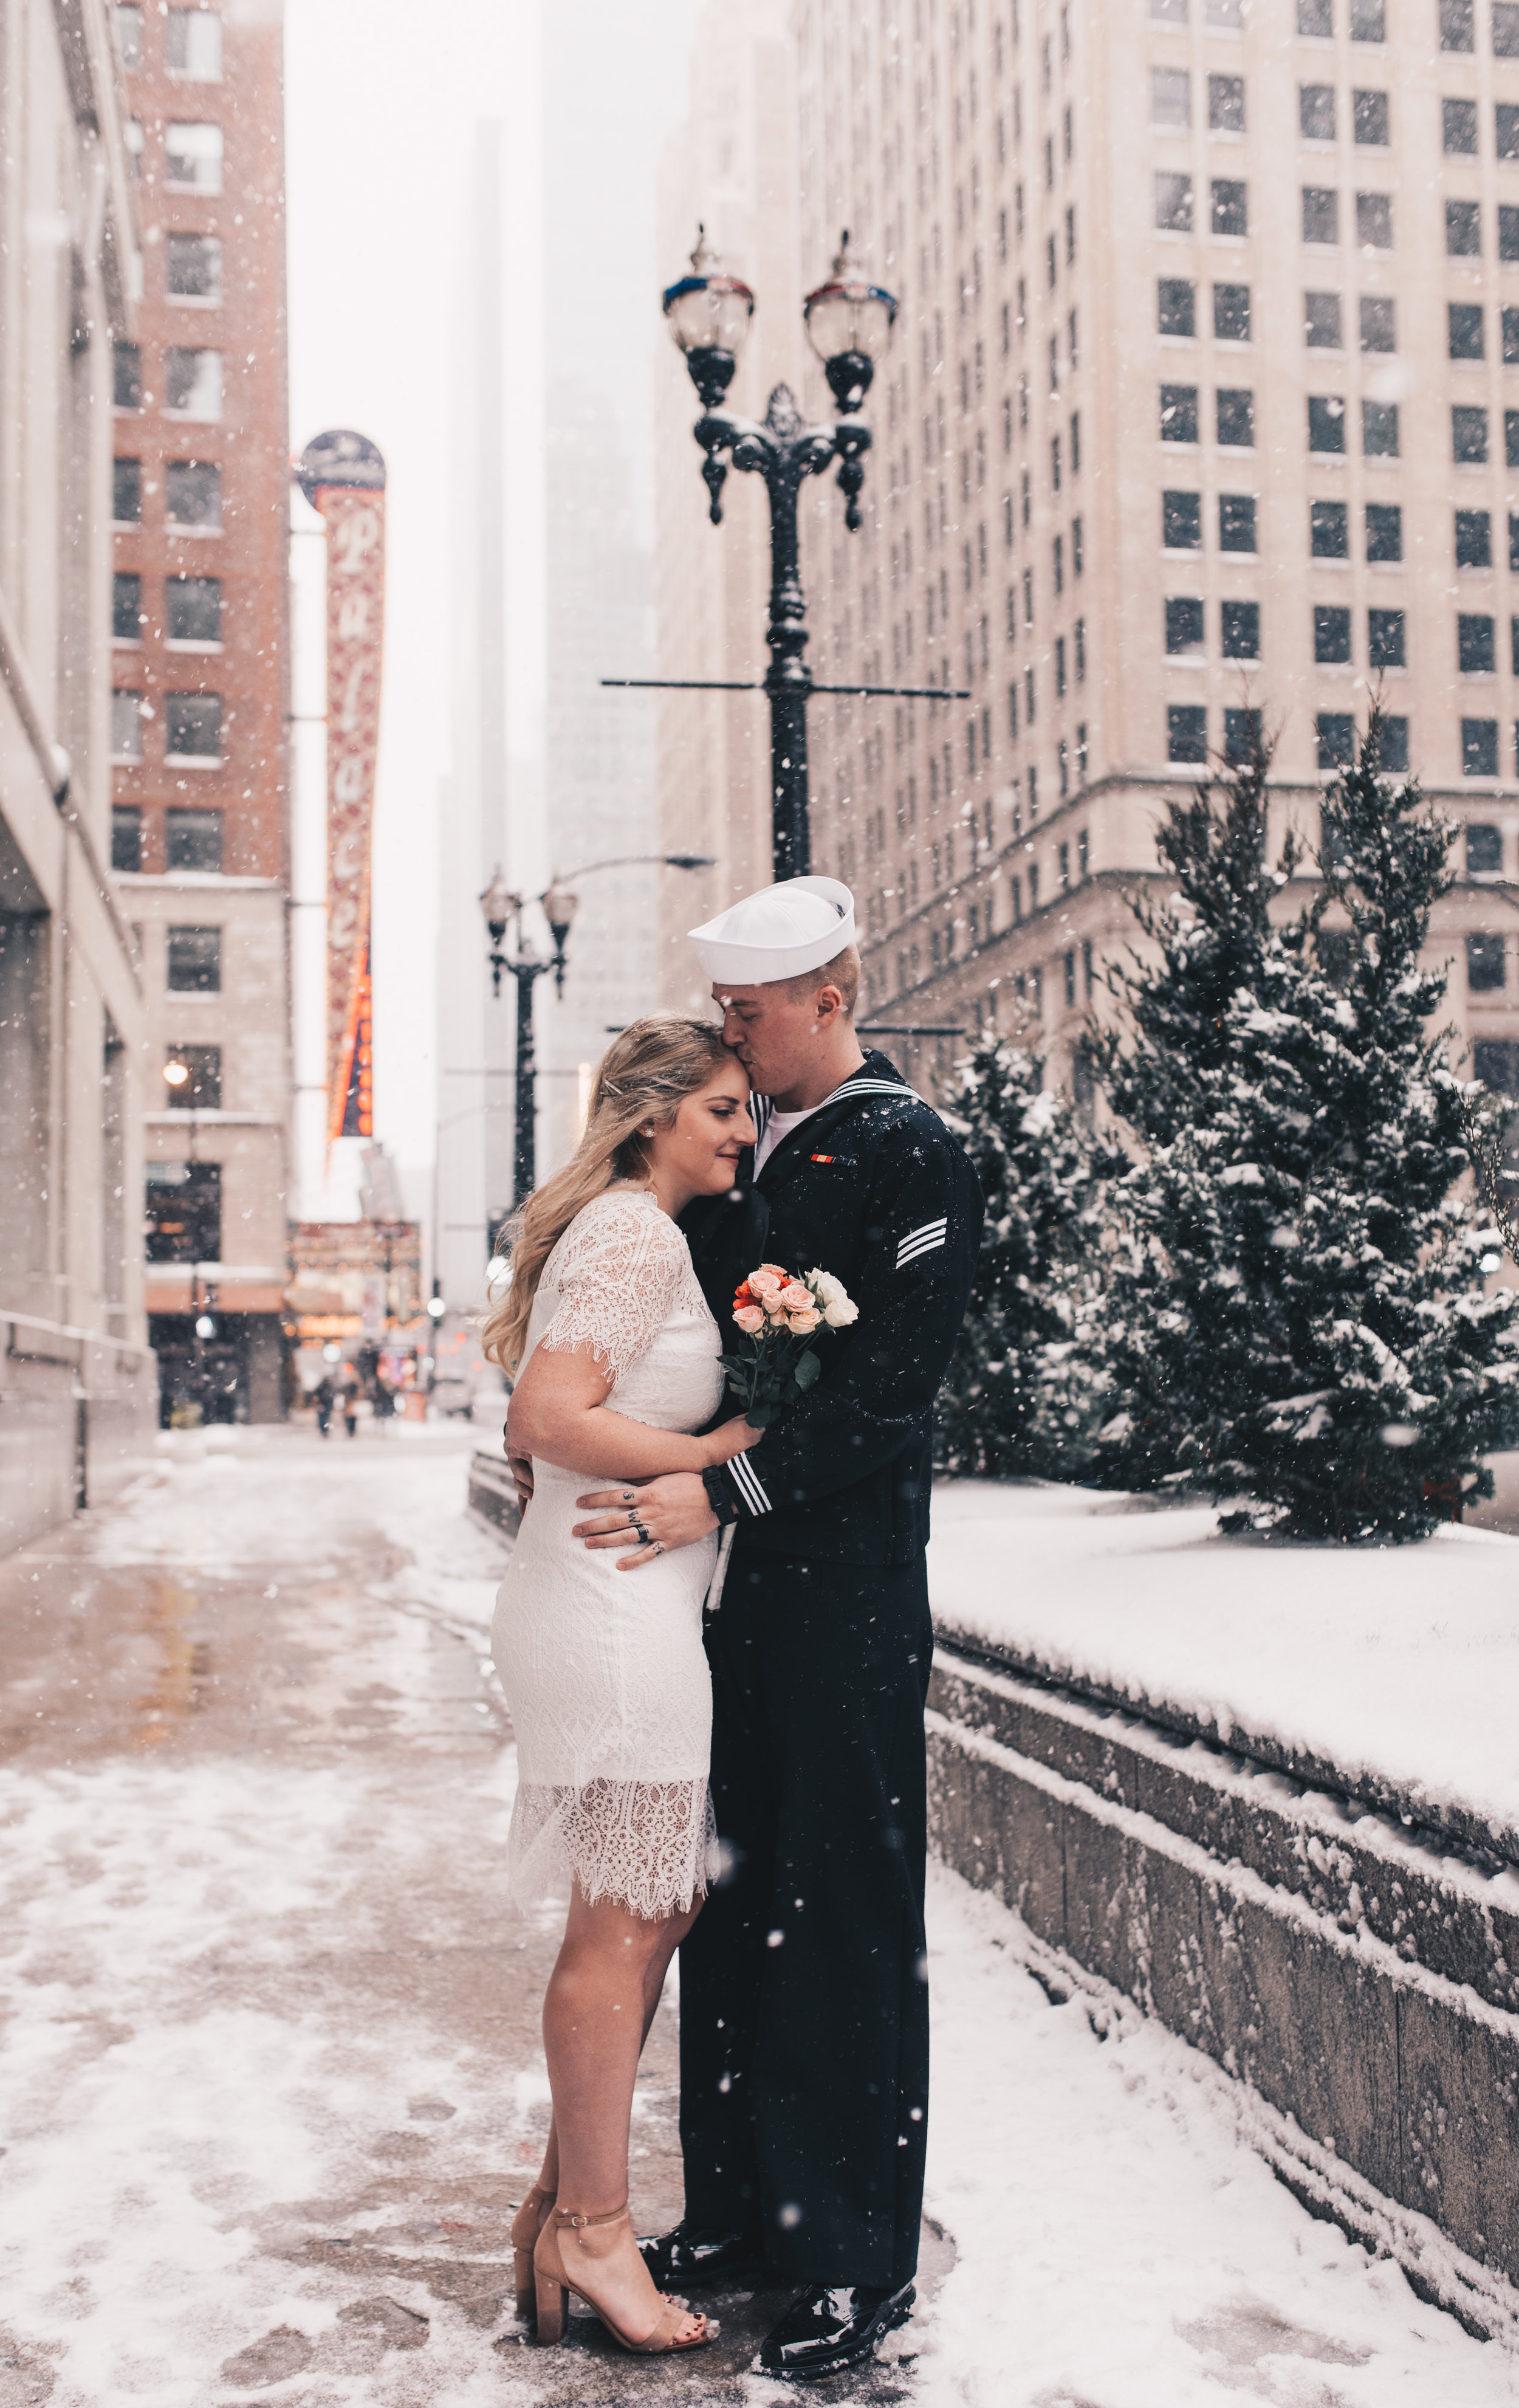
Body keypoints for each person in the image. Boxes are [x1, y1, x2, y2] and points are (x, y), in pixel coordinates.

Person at [563, 876, 983, 2384]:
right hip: (722, 1612)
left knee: (842, 1927)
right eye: (723, 1020)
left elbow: (889, 1394)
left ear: (830, 993)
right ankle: (742, 2211)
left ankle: (849, 2259)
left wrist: (719, 1492)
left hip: (848, 1601)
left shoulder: (910, 1153)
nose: (731, 1044)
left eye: (748, 1016)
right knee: (731, 1912)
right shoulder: (748, 1146)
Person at [485, 1015, 764, 2357]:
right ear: (652, 1114)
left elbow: (546, 1421)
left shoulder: (624, 1229)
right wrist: (716, 1450)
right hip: (609, 1617)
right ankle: (595, 2231)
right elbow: (546, 1416)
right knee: (625, 1924)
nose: (738, 1129)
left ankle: (561, 2211)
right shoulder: (635, 1232)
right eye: (717, 1106)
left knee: (648, 1910)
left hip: (613, 1600)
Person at [312, 1375, 334, 1439]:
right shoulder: (329, 1387)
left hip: (322, 1405)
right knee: (326, 1418)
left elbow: (315, 1394)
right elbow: (332, 1397)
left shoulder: (321, 1387)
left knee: (322, 1419)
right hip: (326, 1405)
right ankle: (325, 1430)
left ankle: (324, 1430)